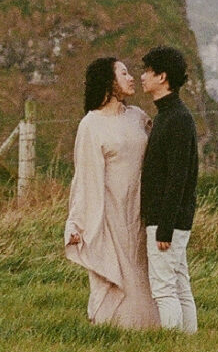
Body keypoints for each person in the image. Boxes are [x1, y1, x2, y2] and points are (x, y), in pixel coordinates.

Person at [61, 57, 160, 329]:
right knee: (116, 276)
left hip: (139, 211)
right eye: (124, 73)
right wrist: (77, 222)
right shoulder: (91, 125)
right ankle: (110, 327)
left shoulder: (139, 117)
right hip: (110, 214)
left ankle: (152, 329)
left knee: (142, 276)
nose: (131, 78)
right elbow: (85, 178)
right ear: (109, 82)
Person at [137, 45, 199, 334]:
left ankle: (173, 347)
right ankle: (188, 344)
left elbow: (178, 177)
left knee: (164, 289)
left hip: (166, 221)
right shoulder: (169, 115)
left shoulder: (176, 118)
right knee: (179, 283)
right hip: (171, 219)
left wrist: (164, 227)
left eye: (147, 72)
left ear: (162, 77)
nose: (141, 77)